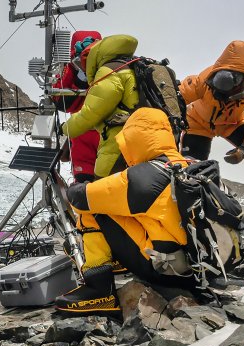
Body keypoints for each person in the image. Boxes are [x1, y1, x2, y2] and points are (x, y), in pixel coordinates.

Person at [52, 108, 201, 316]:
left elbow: (80, 199)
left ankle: (99, 290)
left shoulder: (142, 177)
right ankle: (114, 262)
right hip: (197, 267)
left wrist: (79, 185)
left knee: (93, 211)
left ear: (134, 140)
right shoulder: (188, 165)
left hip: (165, 270)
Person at [179, 40, 244, 205]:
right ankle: (194, 211)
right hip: (197, 123)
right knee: (191, 167)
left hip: (232, 124)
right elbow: (177, 99)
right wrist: (172, 123)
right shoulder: (203, 80)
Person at [60, 33, 141, 175]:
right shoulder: (133, 66)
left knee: (97, 192)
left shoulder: (109, 71)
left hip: (114, 143)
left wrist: (65, 129)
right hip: (140, 143)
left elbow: (90, 114)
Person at [46, 30, 104, 183]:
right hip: (89, 137)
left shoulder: (107, 70)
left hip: (91, 137)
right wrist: (78, 76)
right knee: (94, 186)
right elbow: (62, 102)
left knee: (95, 188)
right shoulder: (71, 69)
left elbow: (63, 104)